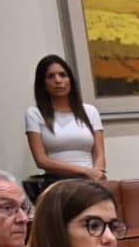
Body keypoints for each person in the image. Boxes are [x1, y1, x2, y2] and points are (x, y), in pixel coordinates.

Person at [25, 54, 106, 183]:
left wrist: (96, 173)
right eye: (50, 76)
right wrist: (84, 171)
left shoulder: (90, 111)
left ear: (70, 80)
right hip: (57, 181)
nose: (58, 80)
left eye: (63, 75)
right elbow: (41, 160)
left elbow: (100, 155)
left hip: (92, 181)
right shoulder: (34, 113)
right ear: (43, 84)